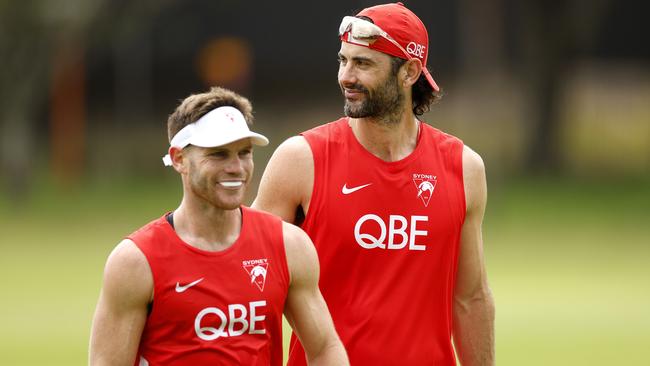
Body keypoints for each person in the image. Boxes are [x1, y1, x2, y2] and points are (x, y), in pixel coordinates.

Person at [253, 3, 495, 365]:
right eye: (343, 60)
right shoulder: (301, 161)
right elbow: (249, 282)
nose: (345, 76)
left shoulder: (463, 168)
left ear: (410, 72)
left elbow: (470, 298)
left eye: (363, 64)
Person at [89, 87, 349, 366]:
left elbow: (324, 348)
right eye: (218, 154)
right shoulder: (135, 262)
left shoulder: (288, 245)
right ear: (179, 159)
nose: (236, 167)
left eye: (244, 153)